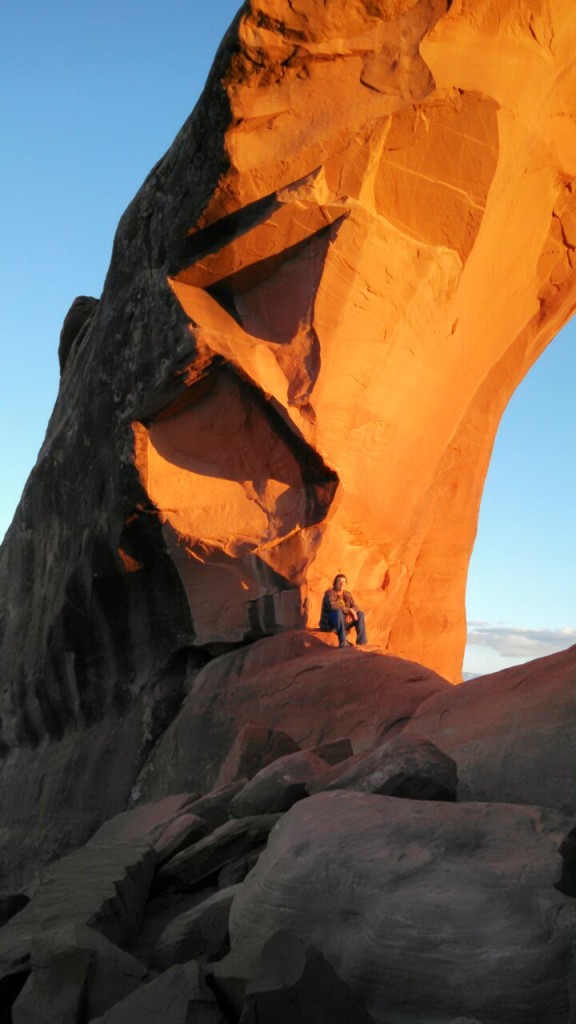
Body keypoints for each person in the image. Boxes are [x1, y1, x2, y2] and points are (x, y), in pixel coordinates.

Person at [319, 573, 367, 648]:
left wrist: (351, 612)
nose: (342, 584)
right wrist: (349, 610)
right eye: (339, 582)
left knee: (360, 614)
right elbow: (333, 605)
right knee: (338, 612)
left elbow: (356, 606)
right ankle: (343, 642)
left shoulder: (347, 594)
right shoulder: (329, 593)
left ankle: (362, 642)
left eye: (344, 582)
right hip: (330, 623)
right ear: (335, 583)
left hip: (342, 621)